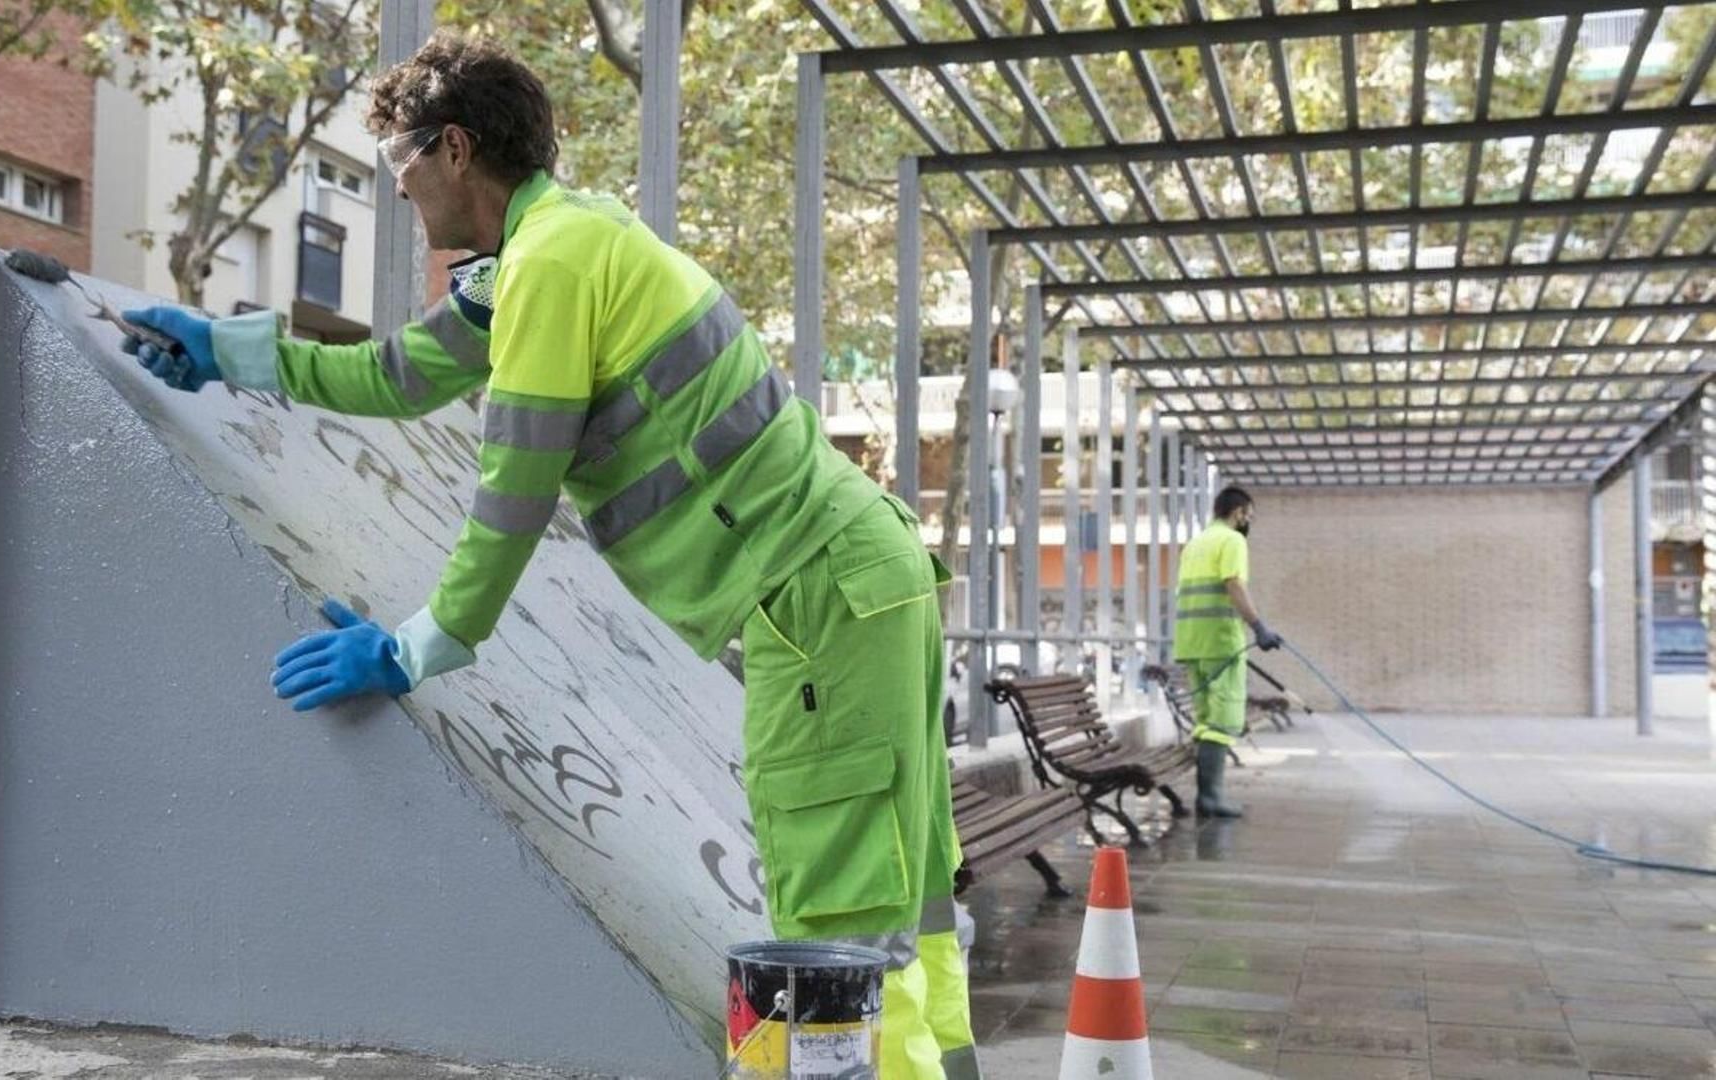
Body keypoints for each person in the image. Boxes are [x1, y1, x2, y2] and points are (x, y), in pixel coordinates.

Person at [117, 32, 979, 1079]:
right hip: (857, 579)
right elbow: (396, 376)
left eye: (398, 159)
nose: (396, 189)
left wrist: (415, 650)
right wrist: (229, 351)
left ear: (456, 149)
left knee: (832, 928)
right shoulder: (556, 248)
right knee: (903, 906)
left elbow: (513, 492)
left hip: (820, 602)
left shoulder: (550, 268)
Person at [1171, 486, 1282, 818]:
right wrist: (1259, 626)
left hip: (1192, 642)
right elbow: (1233, 583)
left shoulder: (1195, 543)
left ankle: (1208, 796)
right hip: (1220, 642)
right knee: (1223, 718)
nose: (1249, 521)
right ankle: (1210, 798)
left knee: (1205, 719)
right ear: (1238, 513)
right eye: (1248, 515)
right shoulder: (1232, 541)